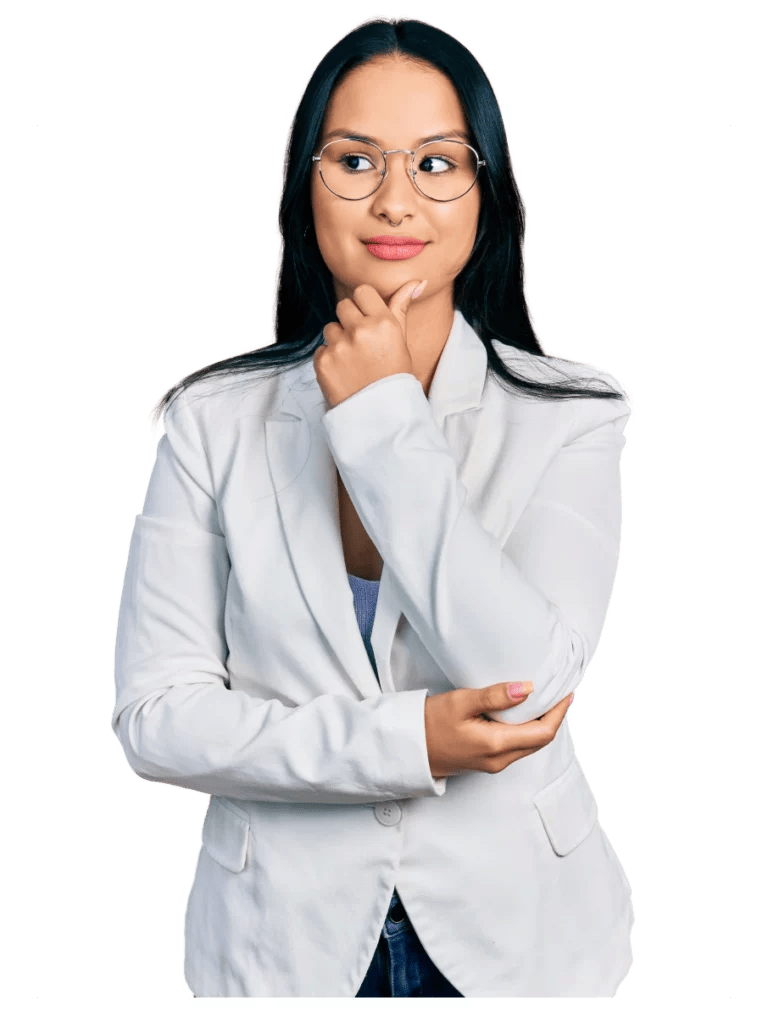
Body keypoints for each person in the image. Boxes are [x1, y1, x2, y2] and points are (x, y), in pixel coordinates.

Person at [111, 13, 637, 998]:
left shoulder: (573, 414)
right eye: (355, 160)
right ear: (304, 185)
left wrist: (382, 420)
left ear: (487, 191)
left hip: (522, 933)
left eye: (437, 163)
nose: (395, 199)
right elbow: (158, 720)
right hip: (277, 940)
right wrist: (411, 743)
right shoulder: (209, 420)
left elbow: (528, 681)